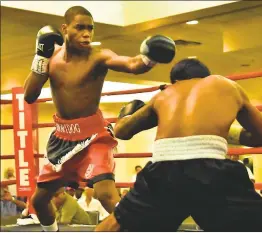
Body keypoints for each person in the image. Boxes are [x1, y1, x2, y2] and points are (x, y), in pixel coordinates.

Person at [23, 5, 175, 232]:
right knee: (38, 201)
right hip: (61, 139)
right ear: (65, 29)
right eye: (80, 28)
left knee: (106, 195)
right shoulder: (51, 58)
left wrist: (149, 57)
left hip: (93, 137)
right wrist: (40, 56)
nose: (86, 34)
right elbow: (29, 95)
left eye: (90, 29)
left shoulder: (98, 56)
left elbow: (132, 65)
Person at [95, 58, 262, 231]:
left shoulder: (165, 94)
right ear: (206, 76)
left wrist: (127, 115)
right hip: (212, 171)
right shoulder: (227, 85)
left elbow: (122, 131)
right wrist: (228, 132)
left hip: (162, 171)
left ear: (174, 81)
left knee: (114, 225)